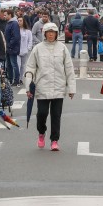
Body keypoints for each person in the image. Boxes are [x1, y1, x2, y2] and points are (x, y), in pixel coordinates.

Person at [24, 23, 75, 151]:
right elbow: (30, 67)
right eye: (48, 32)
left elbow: (69, 69)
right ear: (45, 33)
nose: (51, 34)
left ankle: (54, 140)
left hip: (59, 86)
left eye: (53, 32)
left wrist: (71, 88)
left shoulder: (62, 48)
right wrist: (28, 86)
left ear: (57, 33)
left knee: (56, 115)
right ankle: (41, 132)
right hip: (42, 86)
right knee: (41, 113)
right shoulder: (38, 48)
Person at [4, 9, 21, 86]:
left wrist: (10, 45)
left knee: (14, 64)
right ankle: (10, 79)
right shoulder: (9, 23)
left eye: (5, 15)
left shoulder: (13, 23)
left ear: (10, 15)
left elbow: (16, 37)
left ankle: (16, 80)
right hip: (8, 47)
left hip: (12, 47)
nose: (4, 16)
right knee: (9, 65)